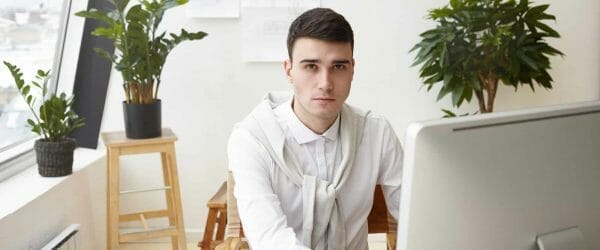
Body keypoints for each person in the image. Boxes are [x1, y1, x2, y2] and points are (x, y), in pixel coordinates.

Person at [227, 7, 403, 250]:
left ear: (352, 68)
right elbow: (270, 238)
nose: (325, 83)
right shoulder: (252, 139)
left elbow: (415, 213)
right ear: (289, 70)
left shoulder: (376, 132)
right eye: (311, 66)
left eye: (338, 67)